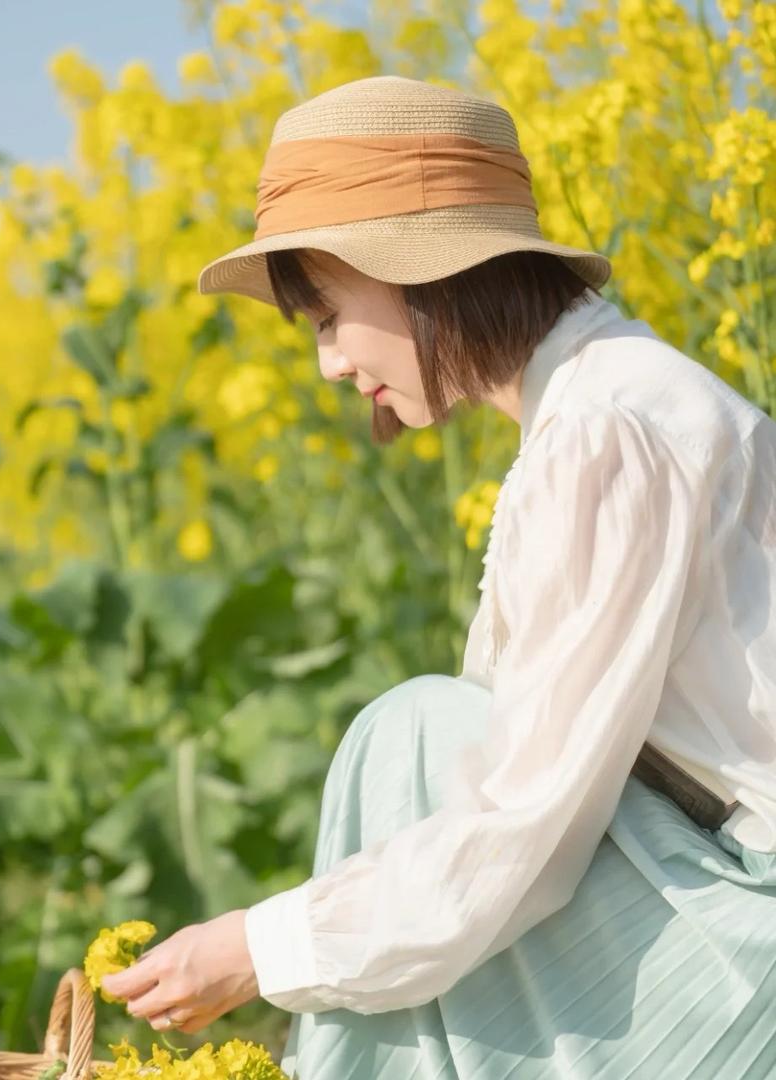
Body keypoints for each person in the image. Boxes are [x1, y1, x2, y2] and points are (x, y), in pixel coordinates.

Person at [98, 75, 776, 1078]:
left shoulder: (604, 432)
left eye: (330, 316)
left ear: (430, 275)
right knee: (424, 739)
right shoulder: (603, 397)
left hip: (748, 953)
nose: (329, 364)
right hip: (721, 907)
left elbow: (527, 830)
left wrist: (260, 947)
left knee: (413, 739)